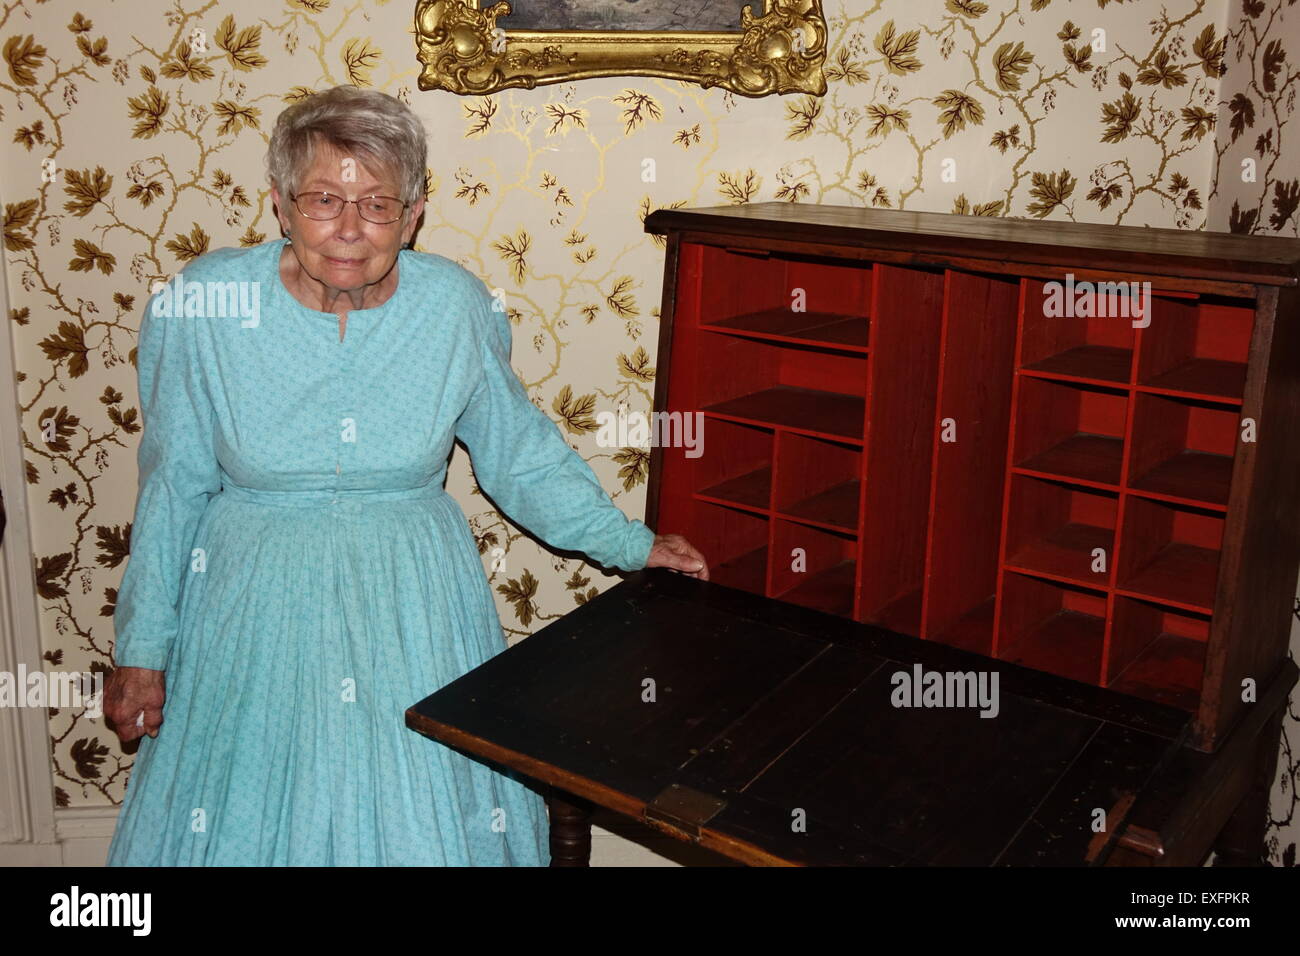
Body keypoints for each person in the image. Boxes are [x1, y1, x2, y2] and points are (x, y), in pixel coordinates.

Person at [103, 85, 708, 866]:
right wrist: (143, 649)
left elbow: (519, 453)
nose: (349, 229)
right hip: (250, 601)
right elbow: (174, 486)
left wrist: (632, 545)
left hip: (414, 600)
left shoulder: (454, 306)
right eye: (324, 199)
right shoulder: (205, 305)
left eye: (377, 205)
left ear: (414, 214)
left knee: (424, 810)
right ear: (282, 206)